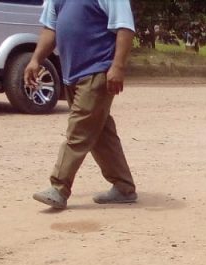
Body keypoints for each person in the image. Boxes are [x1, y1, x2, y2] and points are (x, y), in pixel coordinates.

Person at [28, 0, 137, 210]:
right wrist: (35, 60)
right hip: (72, 75)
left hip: (98, 72)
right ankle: (124, 187)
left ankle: (59, 188)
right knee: (100, 132)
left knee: (79, 130)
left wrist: (118, 66)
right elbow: (51, 28)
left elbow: (125, 27)